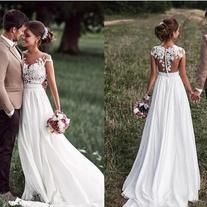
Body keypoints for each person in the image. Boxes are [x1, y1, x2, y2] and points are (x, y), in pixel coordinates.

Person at [9, 21, 104, 207]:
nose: (23, 37)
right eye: (23, 34)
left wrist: (58, 111)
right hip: (24, 103)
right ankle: (34, 183)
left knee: (46, 141)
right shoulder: (21, 56)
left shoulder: (46, 58)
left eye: (27, 35)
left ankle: (50, 182)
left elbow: (52, 84)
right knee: (27, 141)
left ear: (37, 38)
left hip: (40, 102)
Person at [121, 18, 200, 207]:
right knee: (176, 123)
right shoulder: (180, 52)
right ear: (173, 33)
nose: (179, 33)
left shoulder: (154, 51)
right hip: (175, 89)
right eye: (178, 31)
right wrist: (190, 91)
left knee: (159, 123)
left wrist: (147, 95)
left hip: (161, 89)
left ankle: (156, 161)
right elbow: (183, 75)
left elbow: (153, 76)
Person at [0, 9, 28, 201]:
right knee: (5, 149)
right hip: (6, 109)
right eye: (21, 30)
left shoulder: (10, 46)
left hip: (14, 105)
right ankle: (3, 190)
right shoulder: (1, 49)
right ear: (12, 29)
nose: (22, 34)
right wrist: (10, 110)